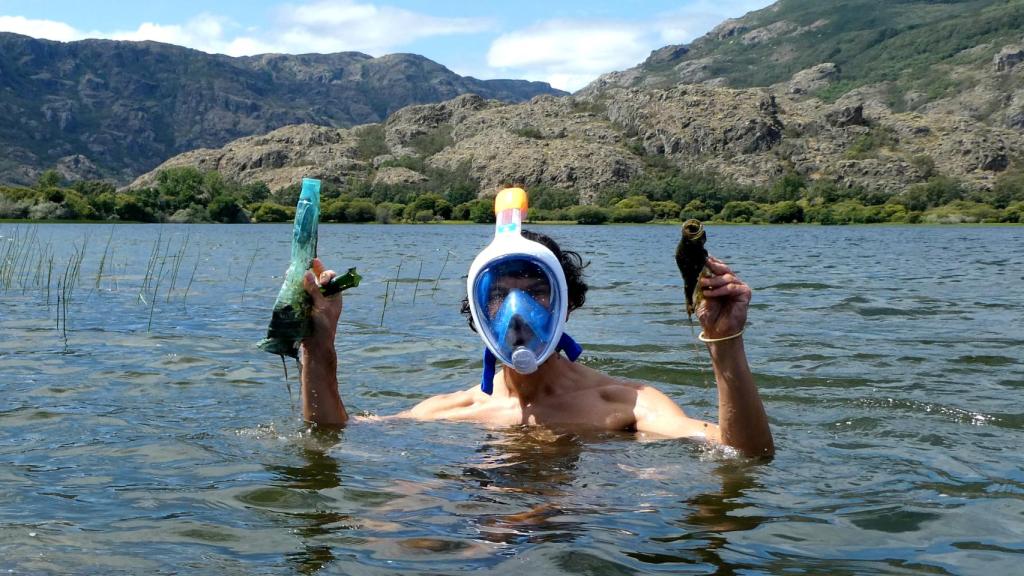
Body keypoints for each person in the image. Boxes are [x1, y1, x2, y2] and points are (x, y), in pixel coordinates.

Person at [297, 188, 774, 458]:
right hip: (482, 517)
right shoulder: (454, 410)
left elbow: (744, 455)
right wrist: (318, 345)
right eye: (499, 294)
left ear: (566, 304)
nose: (517, 310)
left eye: (536, 290)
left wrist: (725, 343)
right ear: (478, 313)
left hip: (580, 527)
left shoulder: (625, 403)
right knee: (391, 527)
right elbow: (331, 433)